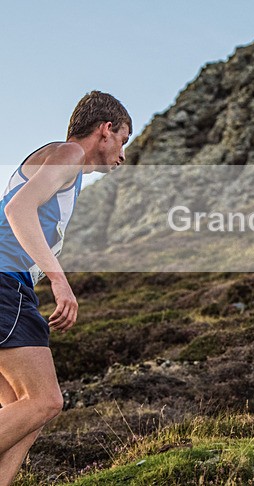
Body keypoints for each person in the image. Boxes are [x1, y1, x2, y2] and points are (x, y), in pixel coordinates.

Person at [0, 91, 131, 485]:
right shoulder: (70, 153)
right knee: (46, 401)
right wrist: (58, 278)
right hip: (5, 283)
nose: (122, 156)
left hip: (10, 284)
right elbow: (16, 210)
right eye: (123, 141)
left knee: (22, 413)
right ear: (106, 130)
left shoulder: (59, 167)